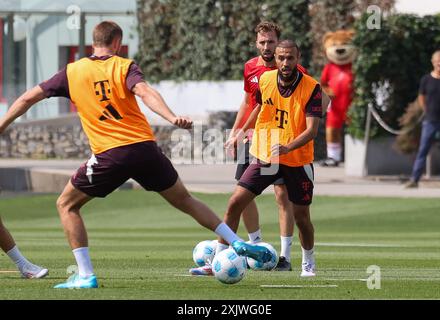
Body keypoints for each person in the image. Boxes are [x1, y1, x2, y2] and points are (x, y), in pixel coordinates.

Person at [0, 21, 273, 289]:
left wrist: (1, 126)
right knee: (185, 200)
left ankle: (84, 275)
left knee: (66, 205)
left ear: (93, 43)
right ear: (117, 43)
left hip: (111, 153)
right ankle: (233, 240)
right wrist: (171, 116)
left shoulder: (71, 72)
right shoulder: (124, 66)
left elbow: (26, 99)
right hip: (145, 149)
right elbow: (145, 92)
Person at [189, 22, 304, 276]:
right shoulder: (250, 68)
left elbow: (313, 99)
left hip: (278, 141)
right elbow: (247, 102)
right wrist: (235, 132)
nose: (267, 46)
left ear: (278, 43)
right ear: (256, 43)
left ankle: (284, 257)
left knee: (281, 196)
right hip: (253, 137)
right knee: (241, 195)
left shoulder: (289, 66)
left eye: (271, 41)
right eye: (262, 42)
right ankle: (255, 244)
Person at [218, 39, 322, 277]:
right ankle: (218, 257)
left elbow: (312, 131)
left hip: (297, 160)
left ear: (298, 59)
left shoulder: (311, 87)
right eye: (281, 58)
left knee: (302, 217)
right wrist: (241, 133)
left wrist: (288, 147)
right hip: (266, 155)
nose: (285, 63)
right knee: (235, 203)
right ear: (275, 58)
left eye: (290, 58)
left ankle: (308, 262)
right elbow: (259, 107)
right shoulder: (265, 80)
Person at [404, 50, 440, 189]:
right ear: (433, 63)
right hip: (430, 120)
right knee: (423, 150)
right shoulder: (426, 80)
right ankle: (415, 179)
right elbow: (421, 97)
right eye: (438, 63)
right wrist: (427, 110)